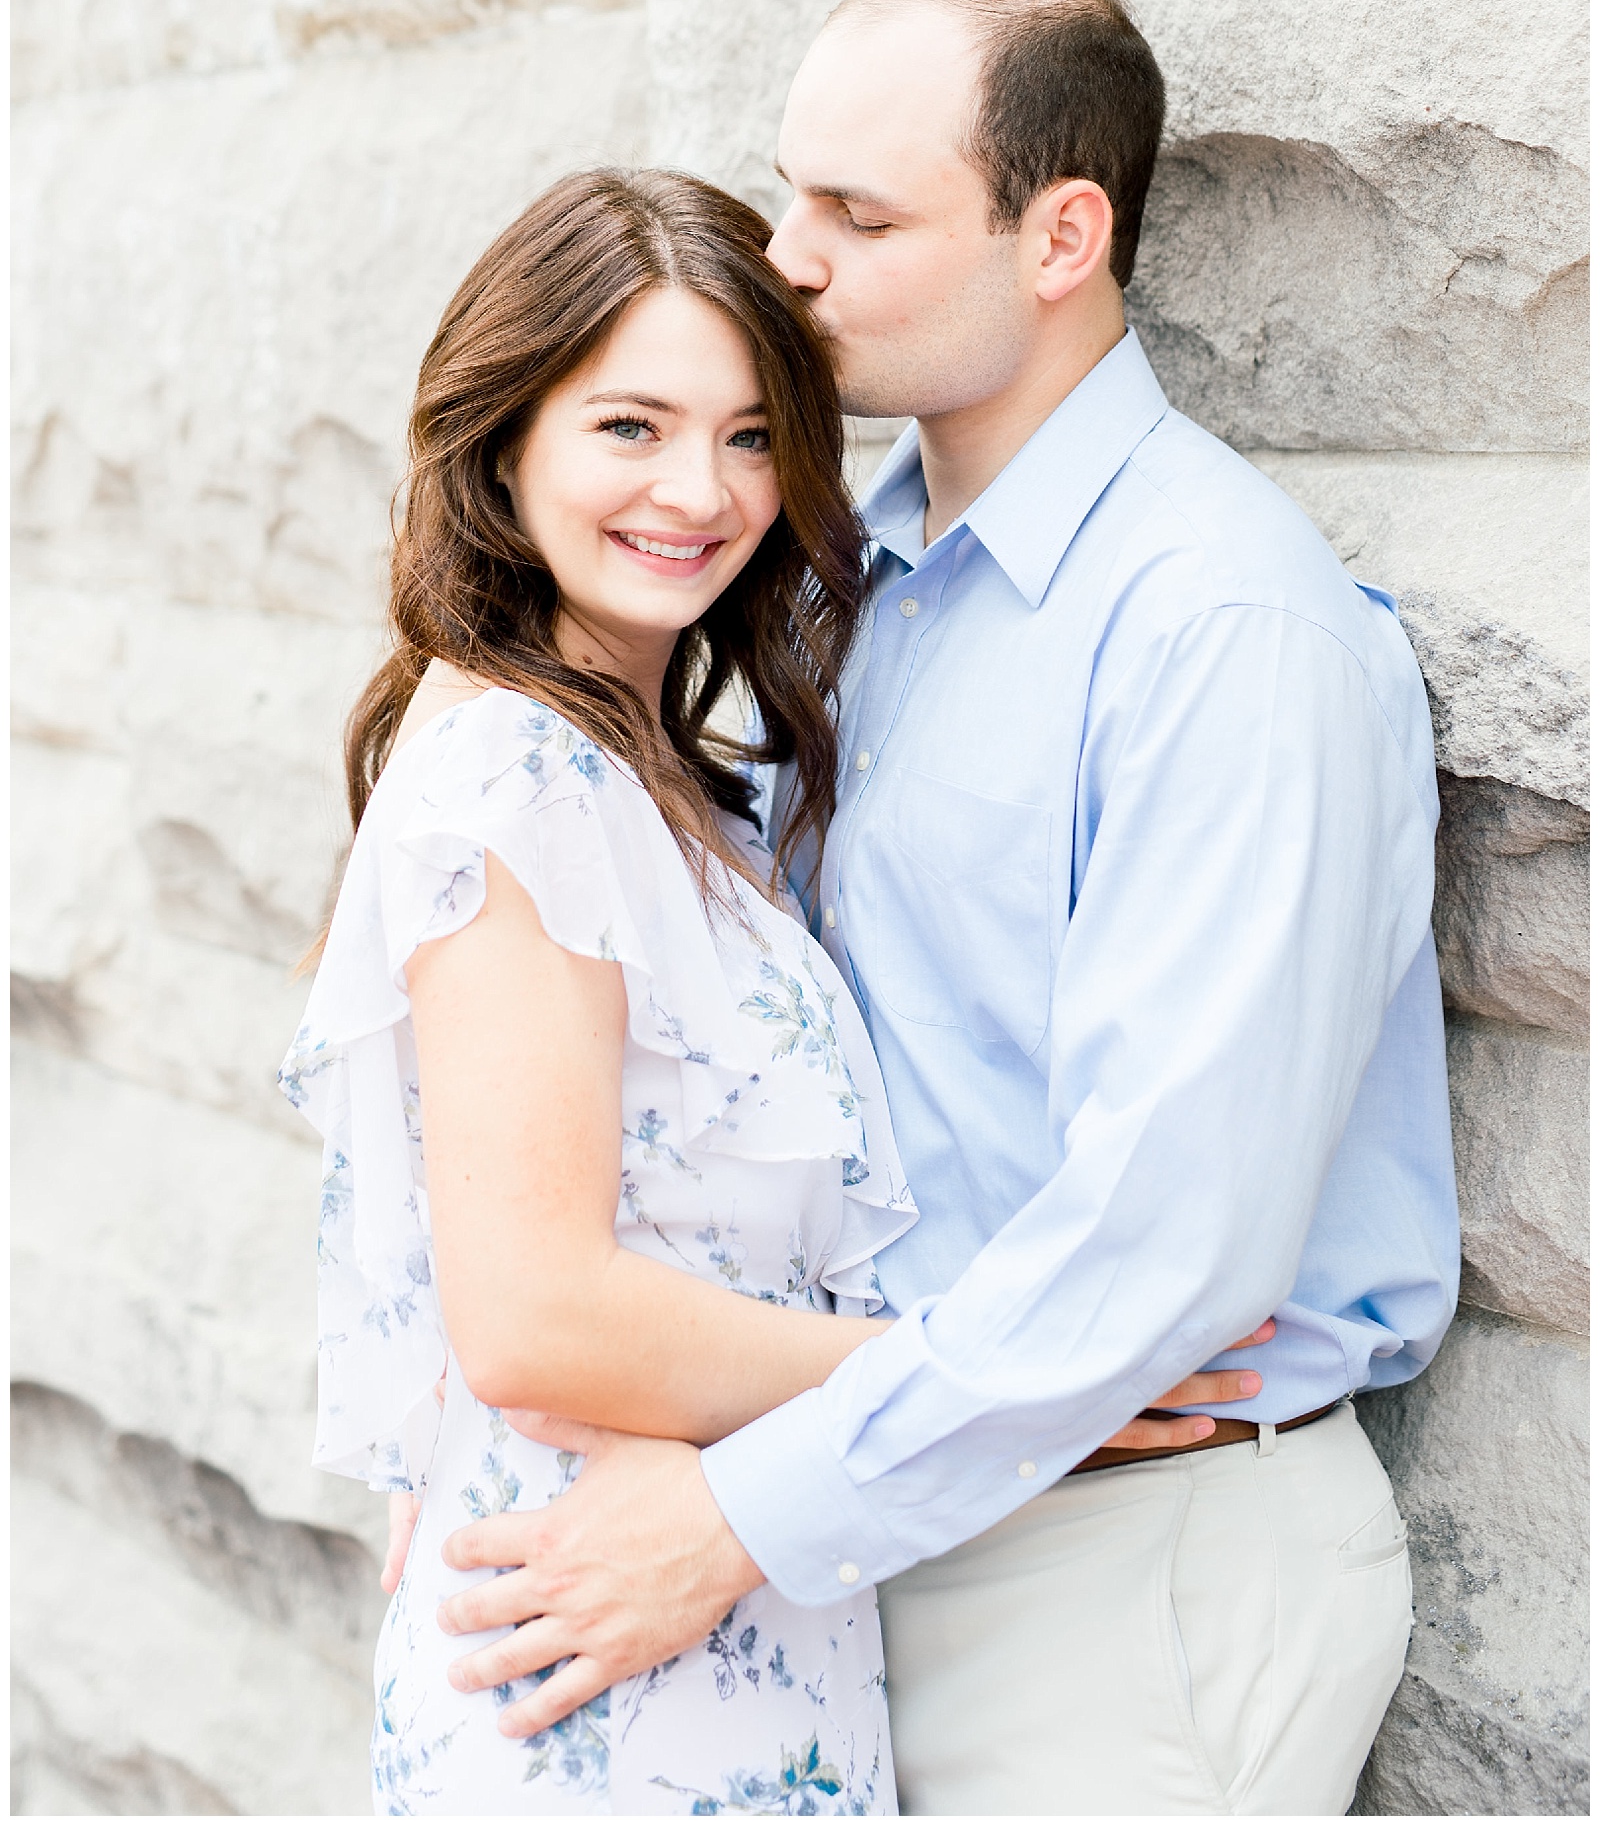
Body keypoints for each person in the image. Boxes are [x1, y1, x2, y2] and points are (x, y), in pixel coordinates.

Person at [425, 0, 1460, 1817]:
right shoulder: (847, 580)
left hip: (1121, 1564)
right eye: (794, 185)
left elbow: (1170, 1243)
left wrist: (740, 1509)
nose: (790, 254)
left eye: (861, 211)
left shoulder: (1223, 629)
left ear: (1061, 236)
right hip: (891, 1513)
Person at [281, 164, 1266, 1816]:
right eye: (630, 426)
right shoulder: (516, 776)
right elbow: (533, 1316)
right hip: (611, 1667)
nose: (701, 489)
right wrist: (1006, 1379)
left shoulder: (658, 767)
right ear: (501, 432)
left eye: (751, 434)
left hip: (719, 1626)